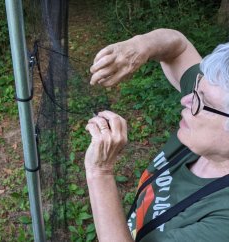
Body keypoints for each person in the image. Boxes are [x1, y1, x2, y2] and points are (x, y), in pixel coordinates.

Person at [85, 28, 229, 241]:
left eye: (202, 101)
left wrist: (100, 173)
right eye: (196, 87)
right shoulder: (205, 140)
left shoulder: (222, 225)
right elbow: (178, 47)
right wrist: (140, 45)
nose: (186, 100)